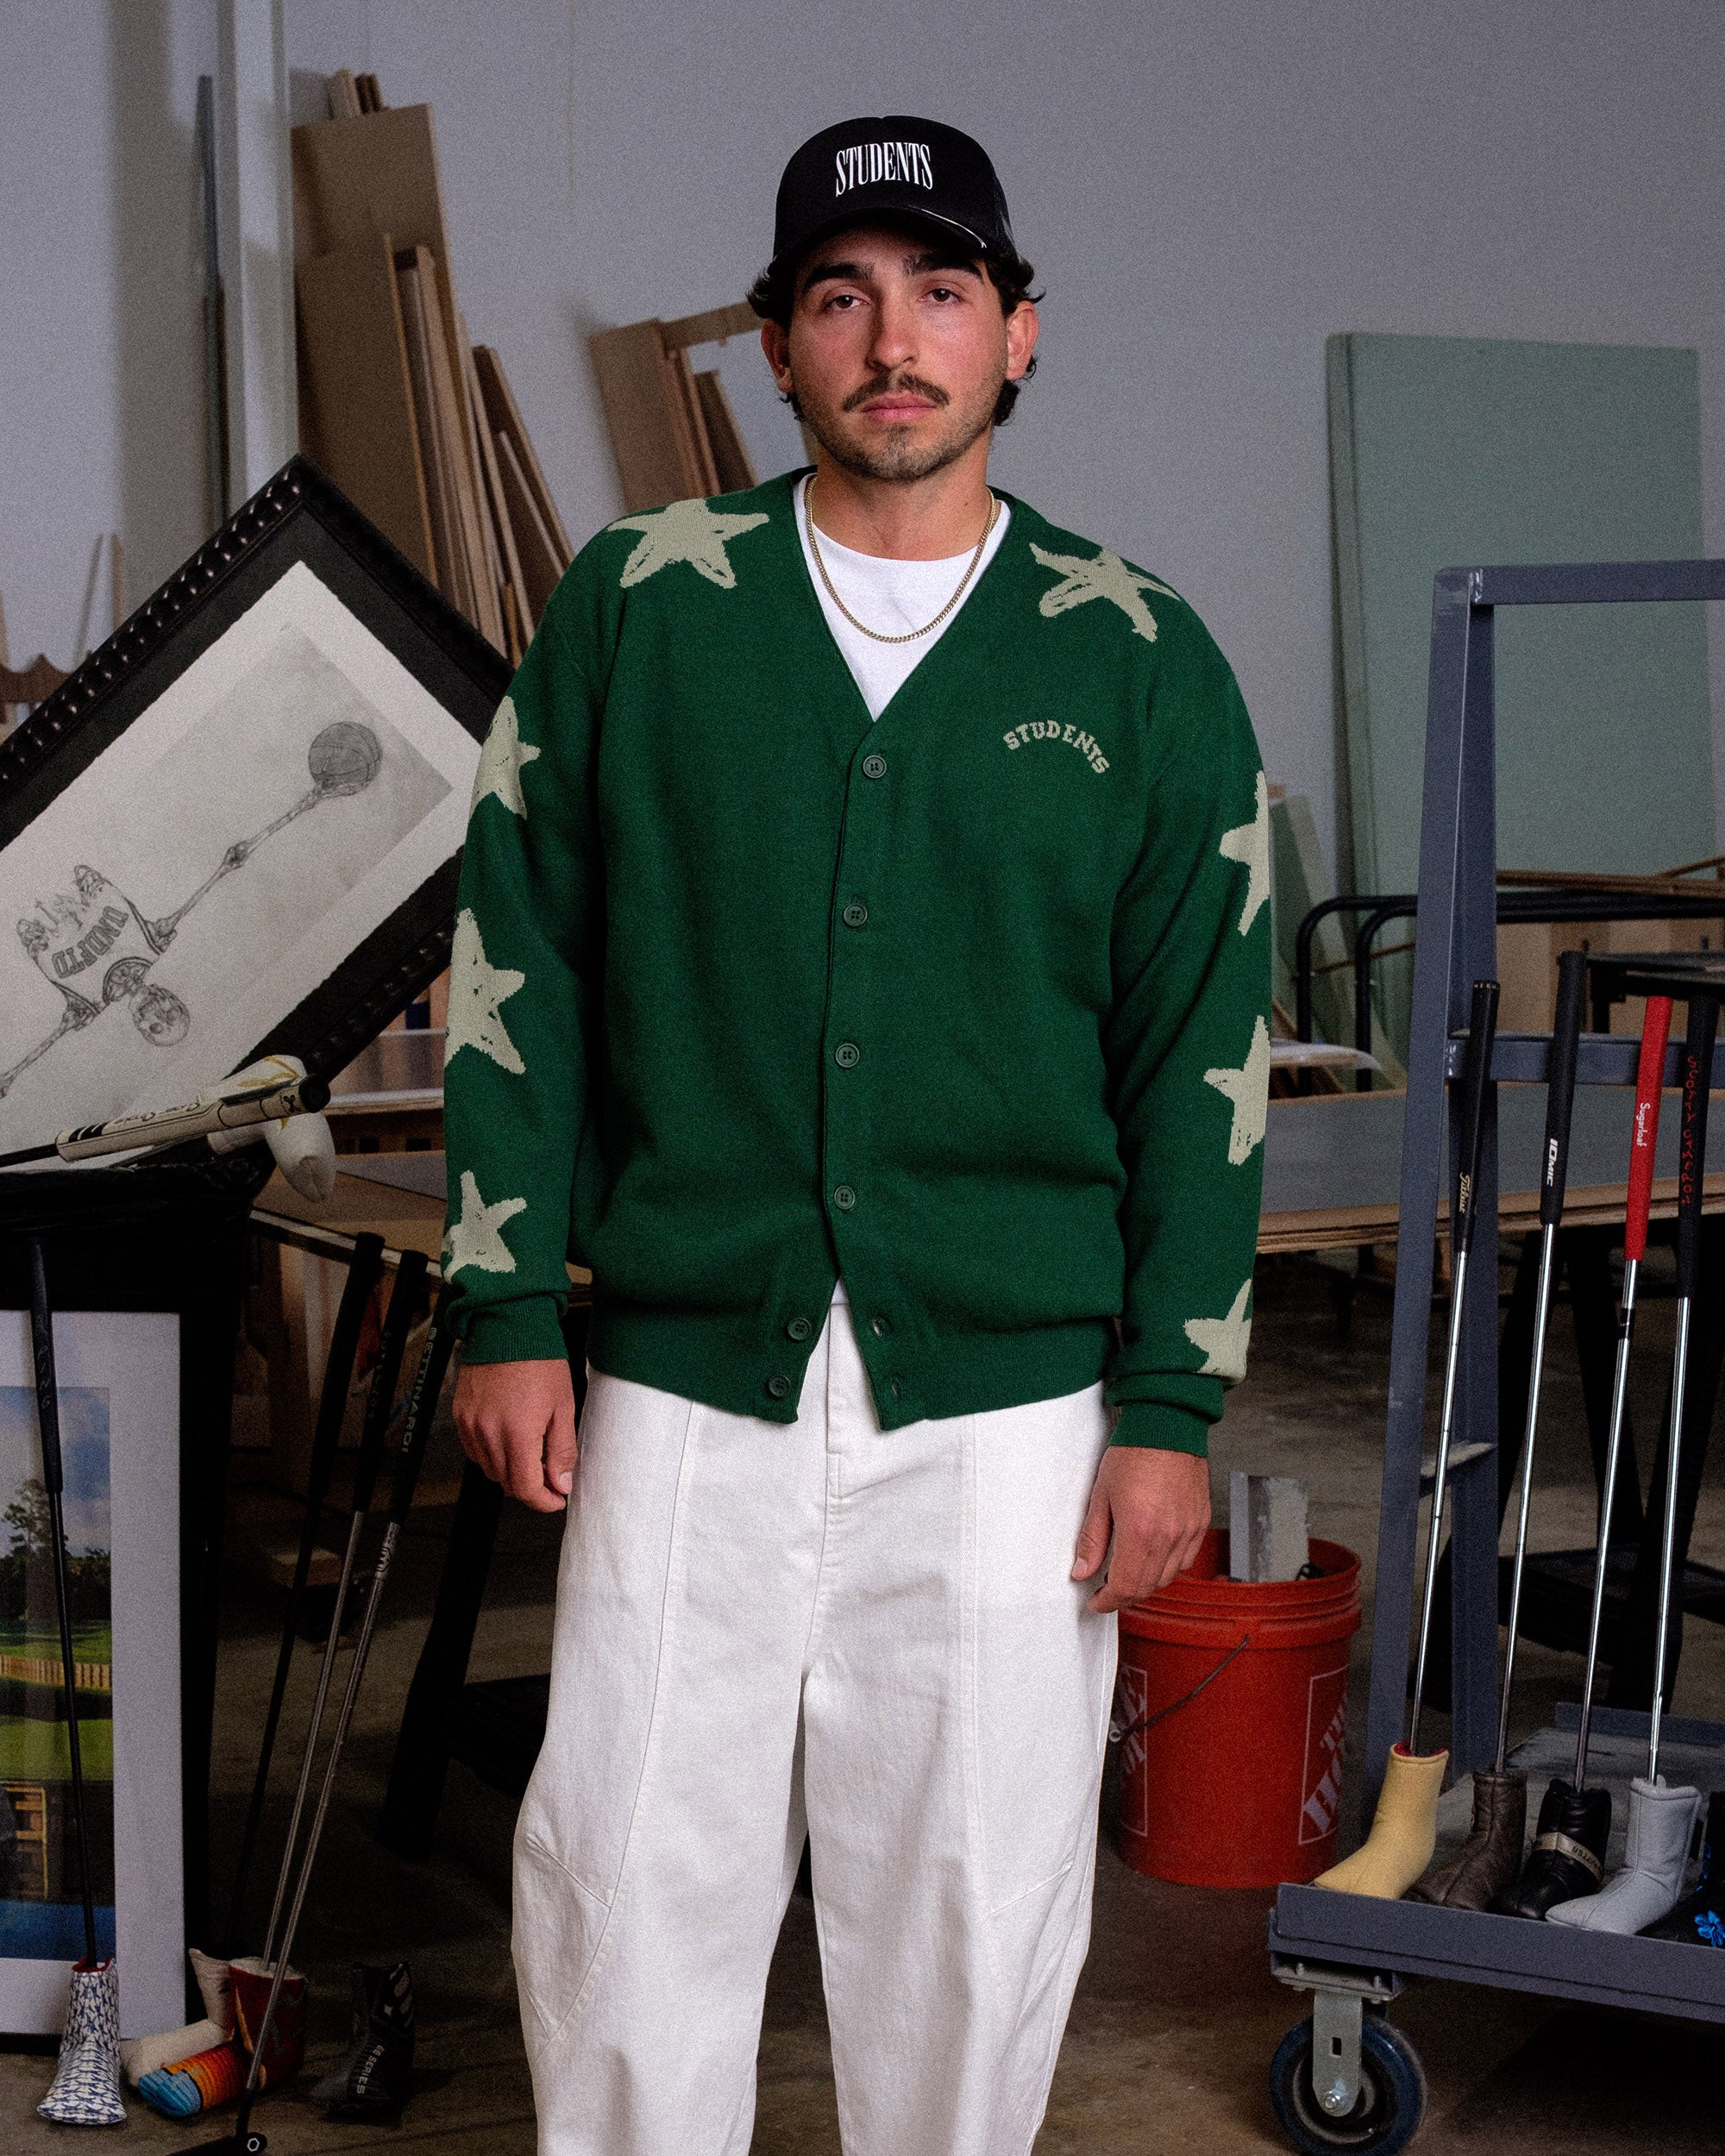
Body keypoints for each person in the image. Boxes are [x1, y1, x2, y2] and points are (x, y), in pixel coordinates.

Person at [447, 113, 1270, 2156]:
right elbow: (517, 955)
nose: (891, 339)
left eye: (939, 292)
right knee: (632, 1874)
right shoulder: (648, 607)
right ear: (777, 346)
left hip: (1007, 1399)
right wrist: (497, 1297)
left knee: (972, 1902)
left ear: (1019, 337)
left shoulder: (1138, 654)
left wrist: (1171, 1399)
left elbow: (1202, 1053)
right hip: (685, 1366)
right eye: (840, 297)